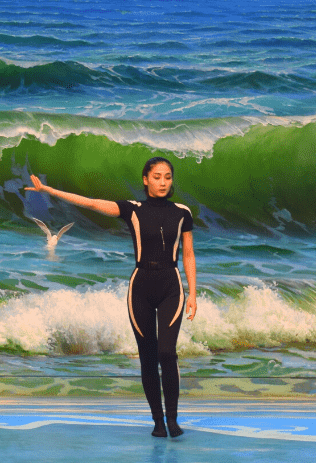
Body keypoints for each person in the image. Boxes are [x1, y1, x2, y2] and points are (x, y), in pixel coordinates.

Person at [26, 157, 198, 437]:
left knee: (167, 353)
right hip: (140, 287)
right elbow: (92, 202)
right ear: (145, 179)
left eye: (167, 177)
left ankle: (173, 418)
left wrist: (193, 292)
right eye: (156, 177)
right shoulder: (133, 210)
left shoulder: (182, 213)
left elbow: (188, 253)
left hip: (172, 286)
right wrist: (49, 191)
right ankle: (157, 420)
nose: (163, 182)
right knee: (147, 356)